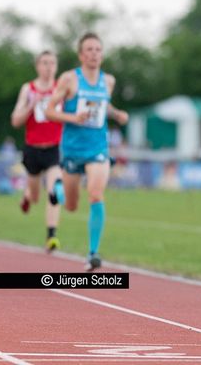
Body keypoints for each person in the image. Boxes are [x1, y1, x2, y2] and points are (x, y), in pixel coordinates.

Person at [45, 32, 129, 271]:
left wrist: (117, 114)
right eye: (89, 50)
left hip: (97, 147)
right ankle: (57, 189)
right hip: (72, 149)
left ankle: (93, 253)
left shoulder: (108, 81)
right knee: (70, 205)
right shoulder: (69, 79)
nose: (94, 53)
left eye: (97, 49)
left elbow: (104, 105)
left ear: (102, 54)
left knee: (95, 193)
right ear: (81, 55)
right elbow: (50, 111)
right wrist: (73, 117)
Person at [11, 50, 63, 252]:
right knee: (35, 196)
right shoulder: (28, 89)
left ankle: (51, 235)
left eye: (52, 62)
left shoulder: (61, 89)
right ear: (37, 66)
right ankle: (26, 196)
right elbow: (15, 120)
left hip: (54, 149)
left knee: (54, 191)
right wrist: (30, 106)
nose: (48, 66)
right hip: (32, 149)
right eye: (44, 63)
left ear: (56, 66)